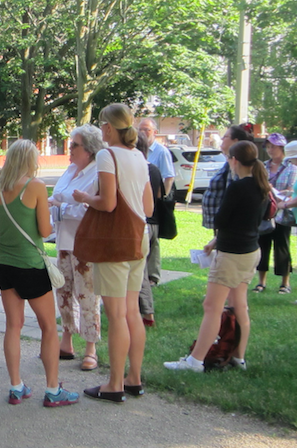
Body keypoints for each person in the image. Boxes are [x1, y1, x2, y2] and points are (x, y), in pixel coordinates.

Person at [0, 139, 79, 407]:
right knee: (48, 327)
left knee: (13, 326)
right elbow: (45, 231)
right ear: (30, 161)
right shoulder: (34, 186)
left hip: (5, 265)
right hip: (31, 265)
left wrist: (5, 233)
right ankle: (53, 389)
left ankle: (16, 386)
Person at [164, 141, 270, 372]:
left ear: (234, 160)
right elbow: (247, 222)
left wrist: (218, 235)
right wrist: (216, 241)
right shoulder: (261, 185)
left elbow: (221, 220)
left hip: (232, 254)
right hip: (250, 251)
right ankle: (238, 357)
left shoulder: (238, 187)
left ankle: (195, 360)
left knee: (212, 306)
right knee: (239, 305)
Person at [73, 103, 153, 403]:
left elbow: (107, 203)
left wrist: (84, 197)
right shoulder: (138, 156)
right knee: (132, 312)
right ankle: (134, 378)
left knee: (116, 315)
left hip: (114, 242)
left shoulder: (107, 155)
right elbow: (148, 208)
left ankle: (114, 384)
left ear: (107, 127)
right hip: (138, 237)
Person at [48, 124, 103, 371]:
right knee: (64, 292)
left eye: (74, 145)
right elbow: (56, 198)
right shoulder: (70, 170)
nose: (69, 149)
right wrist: (58, 208)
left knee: (87, 295)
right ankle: (66, 341)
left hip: (85, 243)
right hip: (63, 241)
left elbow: (88, 209)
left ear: (89, 150)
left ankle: (91, 348)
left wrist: (60, 209)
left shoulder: (97, 173)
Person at [254, 133, 297, 294]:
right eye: (268, 146)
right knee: (262, 245)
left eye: (274, 146)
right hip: (265, 212)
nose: (270, 150)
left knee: (282, 247)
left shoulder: (292, 168)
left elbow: (292, 190)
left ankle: (284, 283)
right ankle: (261, 282)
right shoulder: (263, 166)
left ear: (282, 148)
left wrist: (278, 194)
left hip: (283, 212)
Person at [137, 118, 174, 285]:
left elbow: (168, 177)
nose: (144, 133)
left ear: (155, 132)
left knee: (154, 241)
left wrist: (162, 198)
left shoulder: (161, 151)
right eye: (141, 129)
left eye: (147, 130)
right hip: (143, 202)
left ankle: (153, 275)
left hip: (154, 201)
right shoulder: (138, 150)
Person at [202, 124, 255, 231]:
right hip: (222, 225)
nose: (222, 139)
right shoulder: (228, 163)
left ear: (235, 141)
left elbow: (233, 197)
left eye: (225, 136)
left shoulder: (237, 166)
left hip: (228, 226)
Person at [135, 132, 162, 328]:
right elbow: (160, 194)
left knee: (140, 271)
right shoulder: (153, 169)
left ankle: (147, 312)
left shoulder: (137, 169)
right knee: (142, 268)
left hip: (143, 222)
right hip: (154, 223)